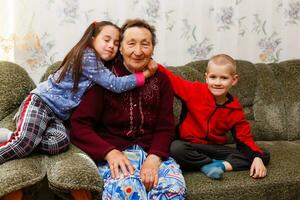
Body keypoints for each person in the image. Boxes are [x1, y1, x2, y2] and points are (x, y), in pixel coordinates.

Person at [0, 21, 157, 164]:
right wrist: (145, 75)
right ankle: (23, 139)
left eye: (116, 43)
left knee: (60, 143)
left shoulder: (102, 66)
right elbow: (114, 84)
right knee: (24, 145)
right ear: (92, 39)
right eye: (106, 40)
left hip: (57, 116)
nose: (111, 46)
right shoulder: (86, 56)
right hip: (41, 103)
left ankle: (13, 136)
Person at [71, 18, 186, 199]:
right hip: (116, 155)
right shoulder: (105, 78)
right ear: (121, 48)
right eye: (131, 44)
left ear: (153, 48)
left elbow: (165, 126)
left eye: (145, 44)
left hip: (152, 153)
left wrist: (154, 157)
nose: (138, 51)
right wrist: (109, 152)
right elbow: (79, 125)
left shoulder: (161, 80)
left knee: (172, 188)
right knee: (128, 189)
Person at [159, 54, 270, 180]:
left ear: (234, 80)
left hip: (214, 149)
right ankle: (209, 164)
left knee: (262, 155)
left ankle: (219, 165)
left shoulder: (235, 108)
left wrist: (257, 157)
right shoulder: (194, 91)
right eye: (213, 77)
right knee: (175, 148)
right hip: (188, 145)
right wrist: (151, 64)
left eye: (224, 78)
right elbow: (171, 79)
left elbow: (244, 138)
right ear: (206, 77)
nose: (217, 82)